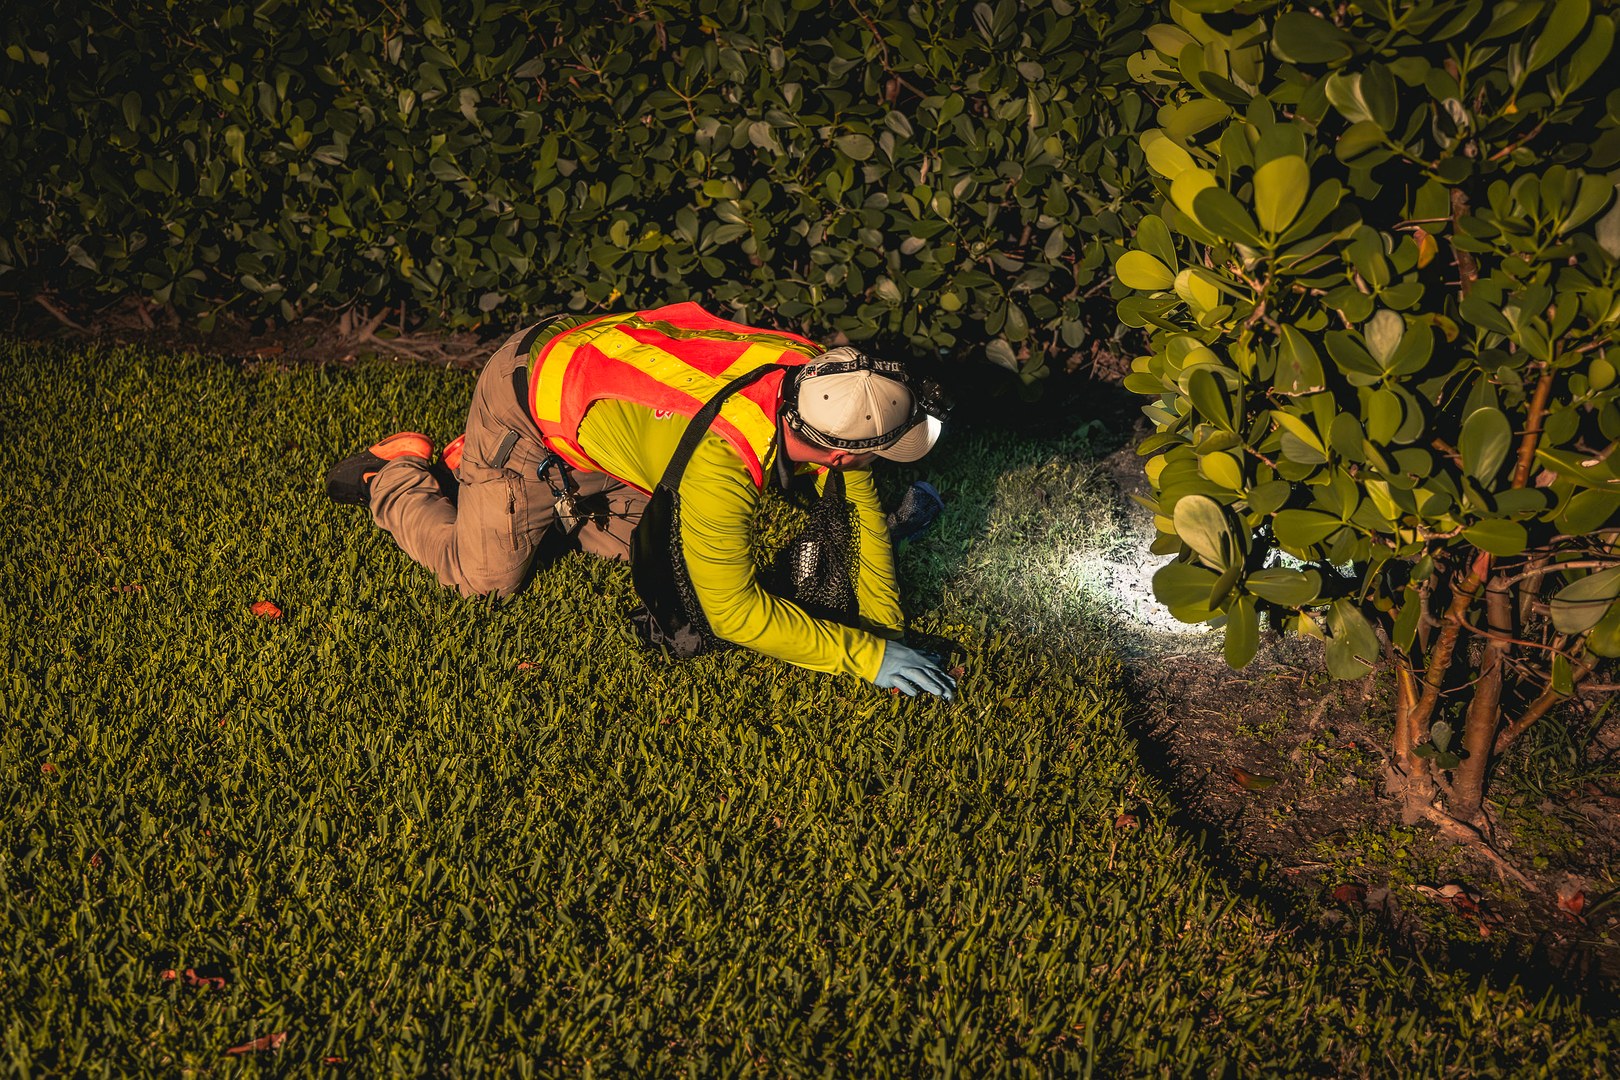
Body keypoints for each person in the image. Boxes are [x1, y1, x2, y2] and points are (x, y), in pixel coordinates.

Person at [324, 302, 955, 700]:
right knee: (483, 578)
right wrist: (865, 658)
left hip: (600, 379)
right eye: (880, 454)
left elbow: (858, 513)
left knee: (642, 554)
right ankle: (399, 472)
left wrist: (886, 631)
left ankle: (498, 482)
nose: (870, 468)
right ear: (844, 452)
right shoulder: (722, 462)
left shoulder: (818, 379)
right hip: (525, 400)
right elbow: (729, 611)